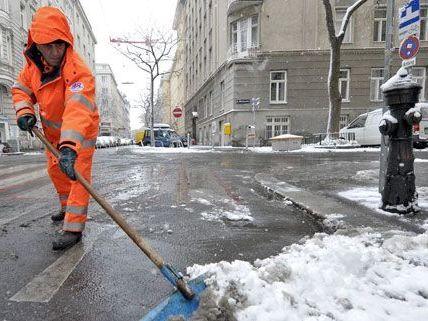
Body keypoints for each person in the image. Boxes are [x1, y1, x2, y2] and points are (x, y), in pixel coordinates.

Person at [12, 7, 99, 250]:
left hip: (79, 133)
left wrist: (70, 147)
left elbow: (77, 110)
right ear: (37, 44)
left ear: (67, 42)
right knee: (56, 171)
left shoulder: (79, 71)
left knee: (76, 175)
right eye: (48, 45)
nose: (55, 51)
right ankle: (65, 207)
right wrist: (25, 112)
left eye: (60, 45)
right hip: (52, 135)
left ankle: (73, 228)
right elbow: (21, 90)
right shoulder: (32, 68)